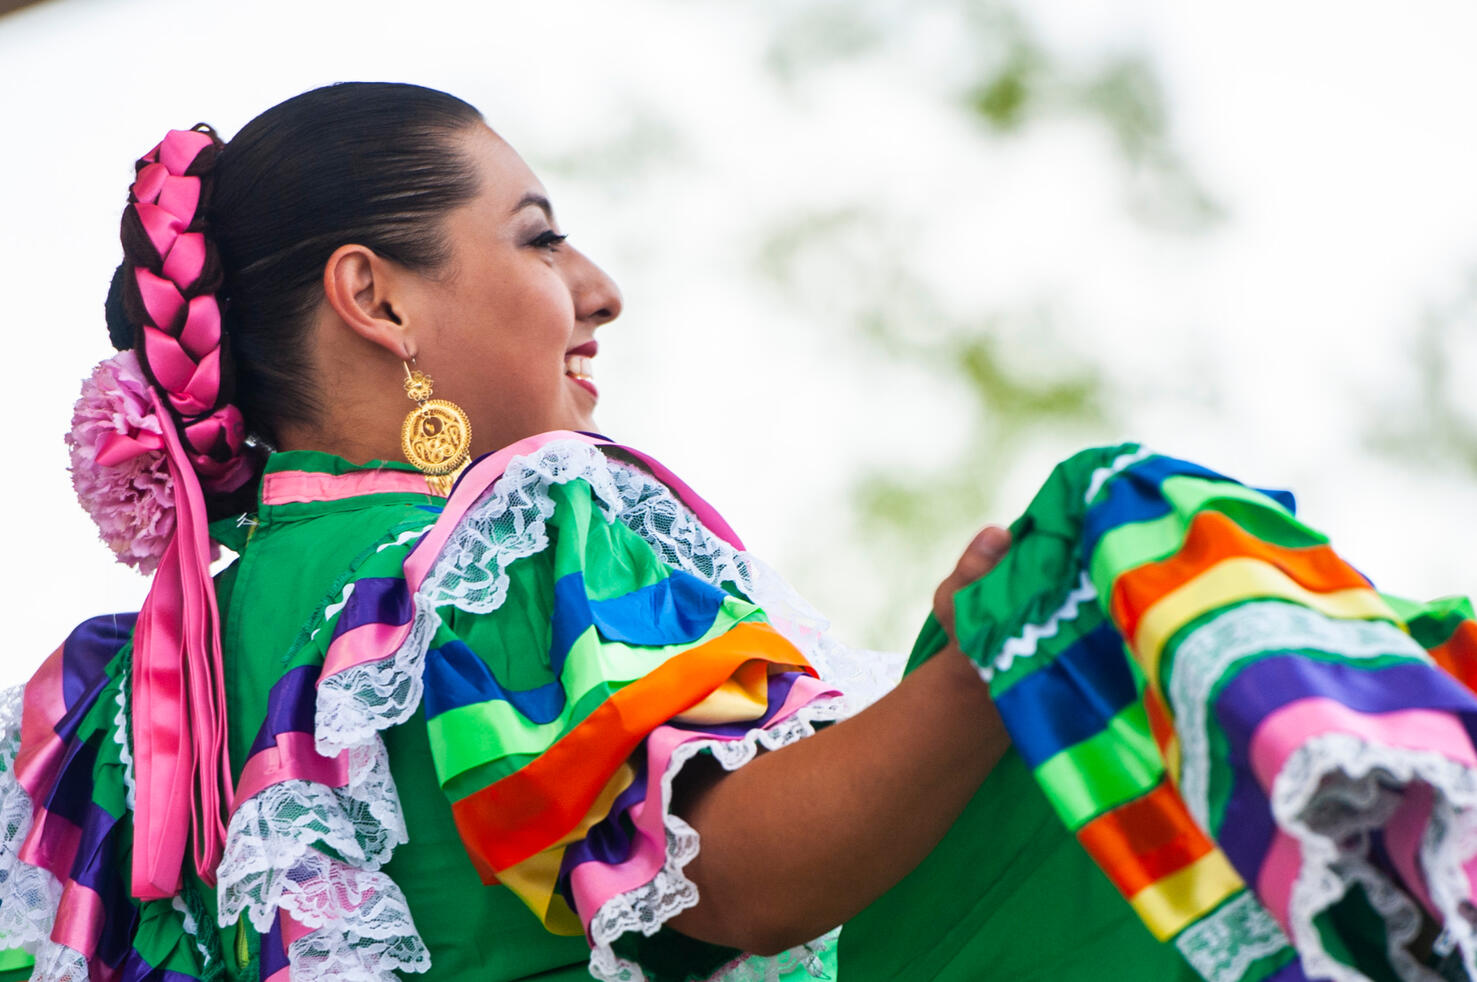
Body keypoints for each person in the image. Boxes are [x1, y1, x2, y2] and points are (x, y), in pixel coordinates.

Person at [0, 80, 1046, 982]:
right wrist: (978, 675)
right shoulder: (504, 542)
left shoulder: (111, 699)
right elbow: (725, 871)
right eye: (540, 238)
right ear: (376, 298)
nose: (599, 291)